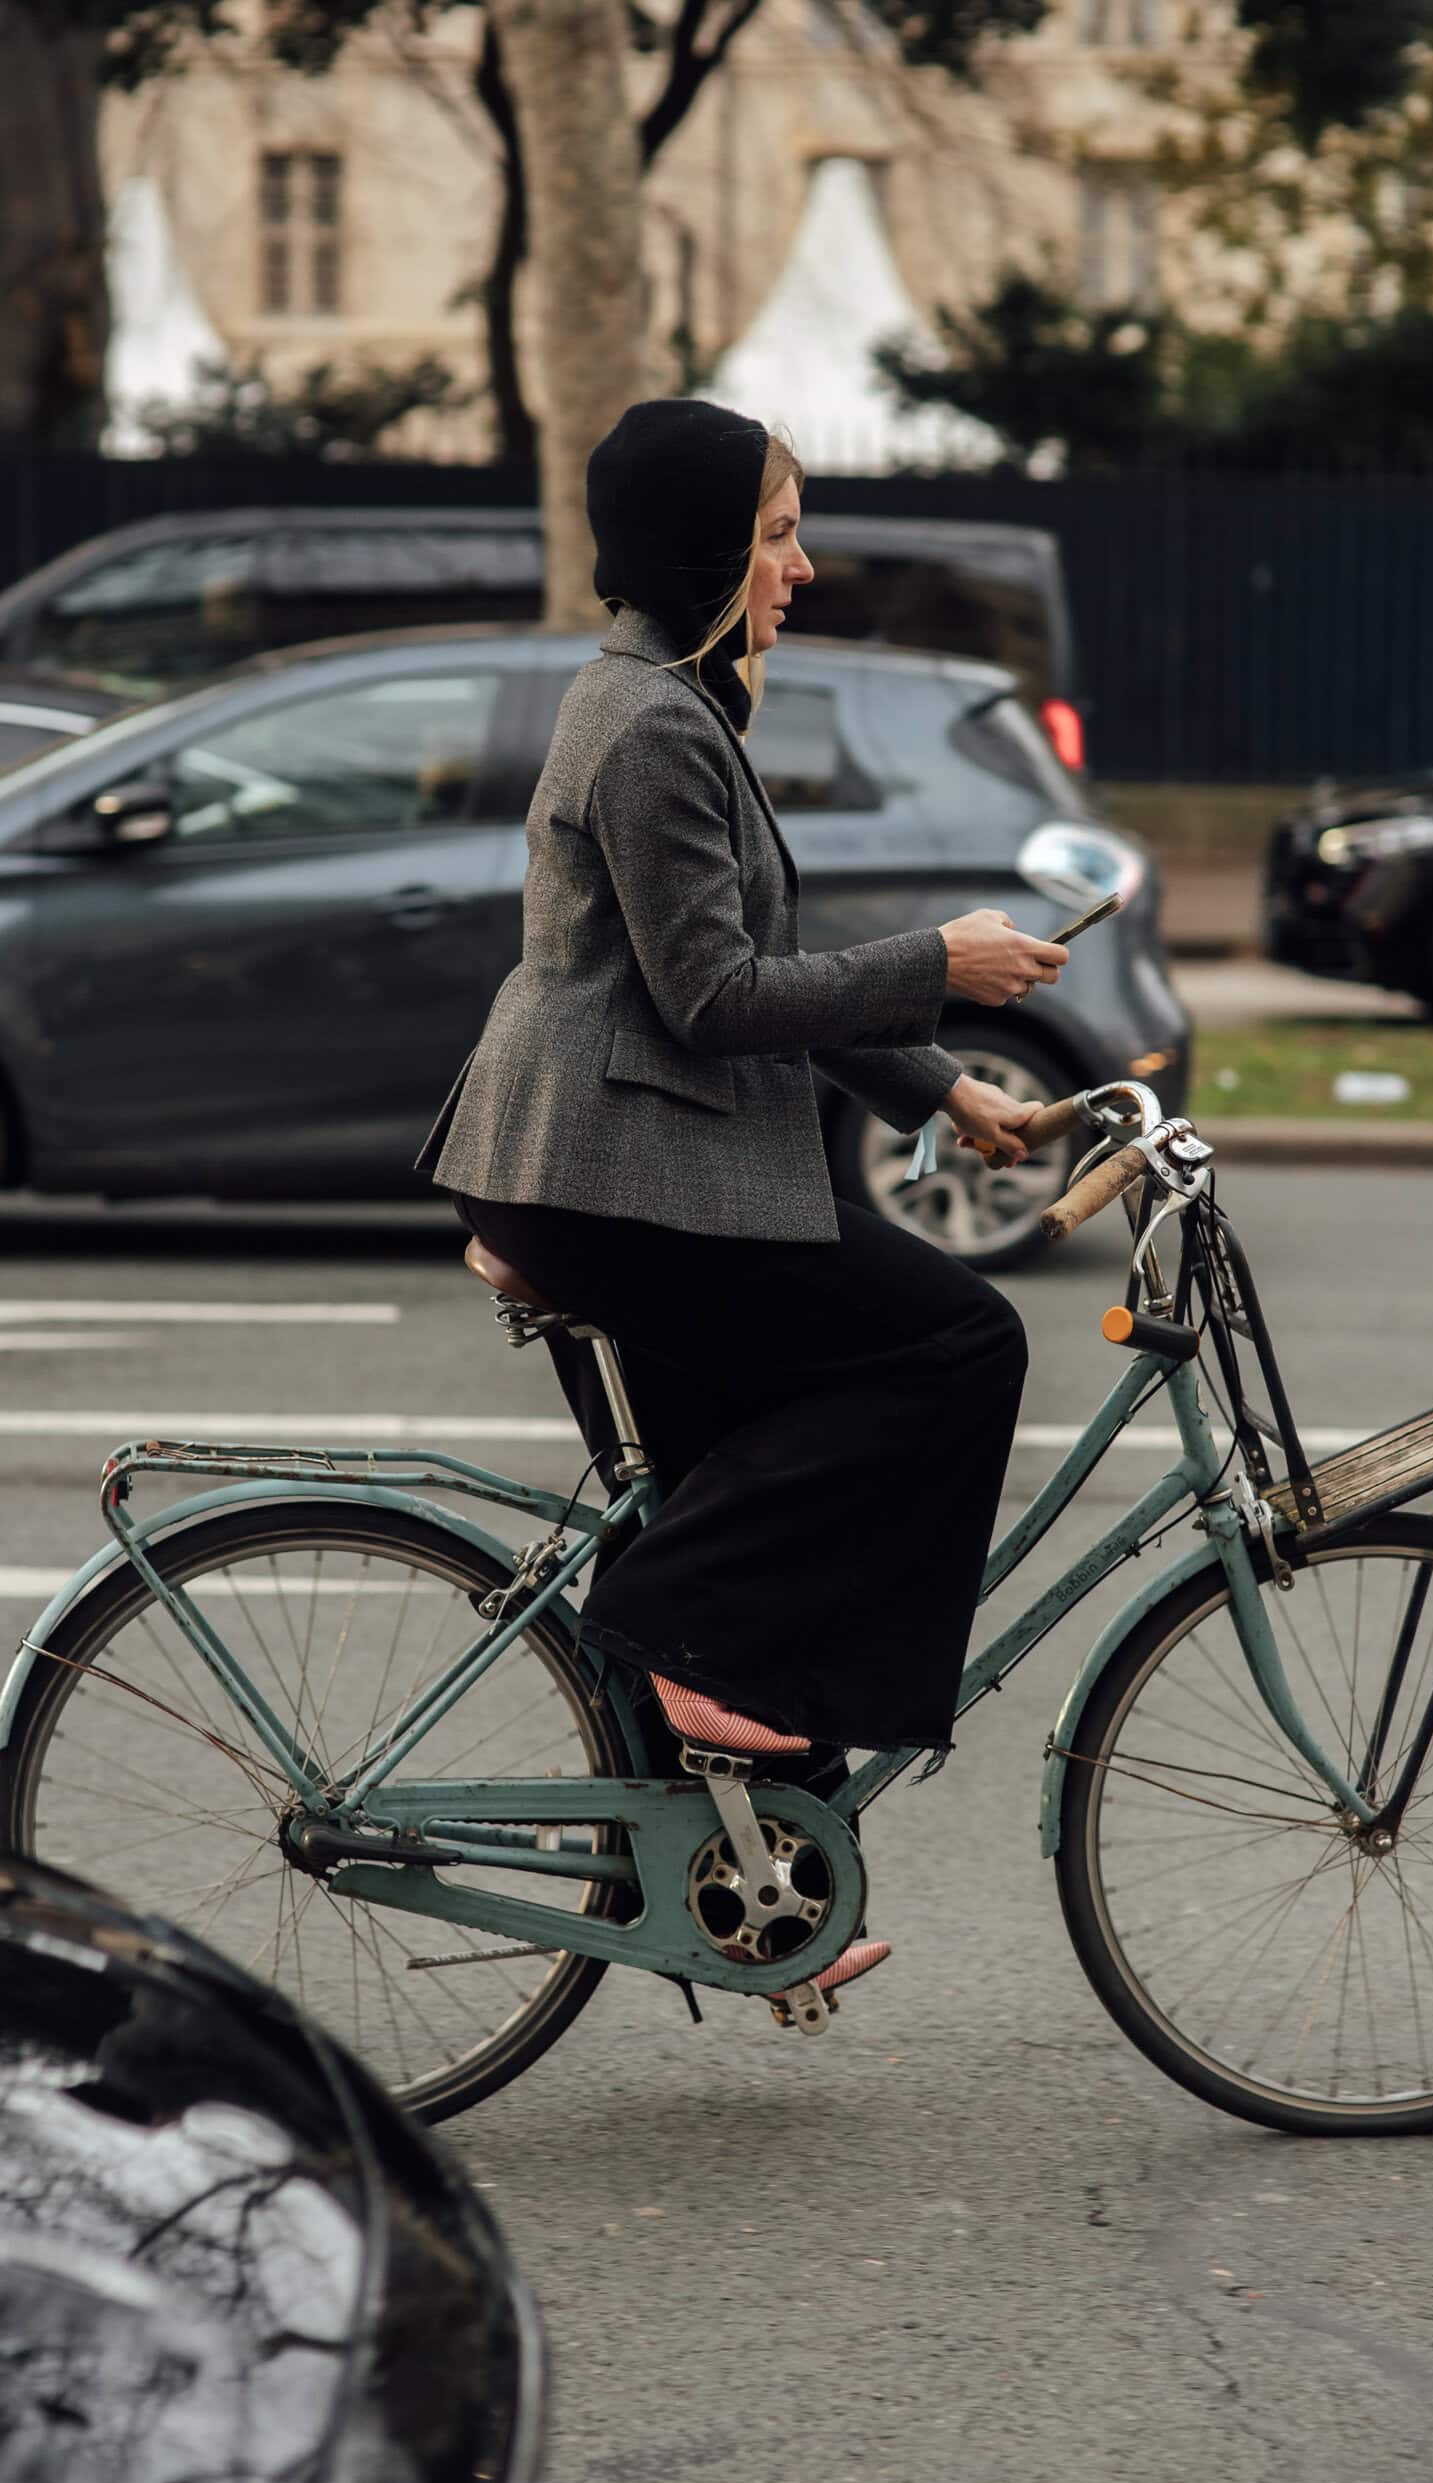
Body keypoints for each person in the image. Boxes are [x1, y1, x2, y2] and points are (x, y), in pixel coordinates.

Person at [417, 398, 1068, 2006]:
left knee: (754, 1465)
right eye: (779, 534)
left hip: (610, 1163)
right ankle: (662, 1623)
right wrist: (941, 962)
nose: (805, 566)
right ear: (707, 547)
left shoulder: (666, 701)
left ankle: (753, 1899)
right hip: (613, 1175)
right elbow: (713, 998)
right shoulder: (649, 724)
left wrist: (947, 1091)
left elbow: (753, 967)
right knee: (957, 1345)